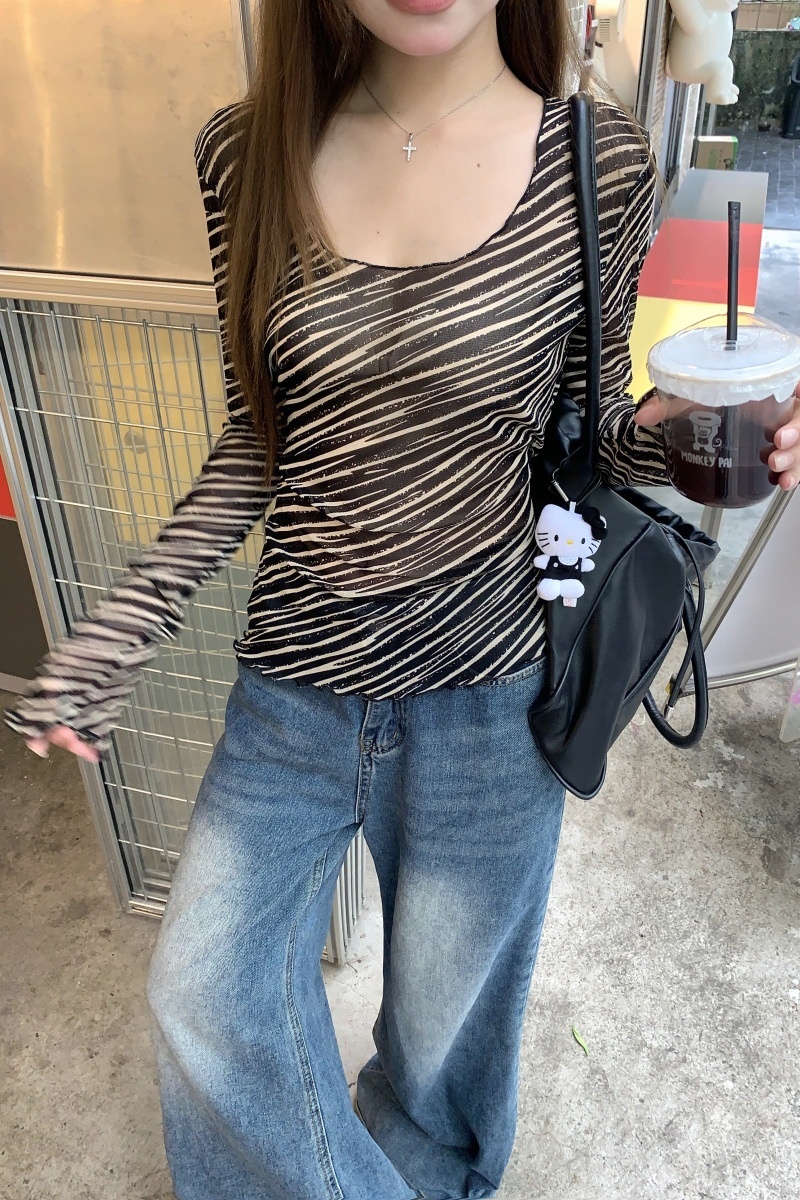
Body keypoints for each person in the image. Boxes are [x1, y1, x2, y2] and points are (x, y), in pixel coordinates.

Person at [7, 2, 800, 1198]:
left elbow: (587, 434)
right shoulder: (243, 154)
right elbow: (259, 438)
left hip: (494, 692)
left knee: (439, 1059)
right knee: (205, 998)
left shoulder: (595, 160)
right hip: (295, 688)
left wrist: (702, 424)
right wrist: (124, 627)